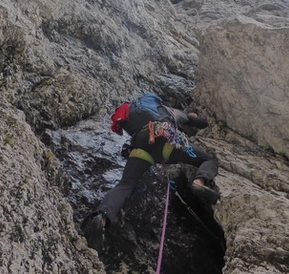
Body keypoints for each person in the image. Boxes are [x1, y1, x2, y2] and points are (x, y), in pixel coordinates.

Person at [85, 93, 220, 251]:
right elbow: (201, 123)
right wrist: (192, 117)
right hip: (167, 138)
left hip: (140, 146)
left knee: (125, 184)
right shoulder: (167, 110)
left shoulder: (132, 116)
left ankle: (102, 216)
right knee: (207, 160)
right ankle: (199, 182)